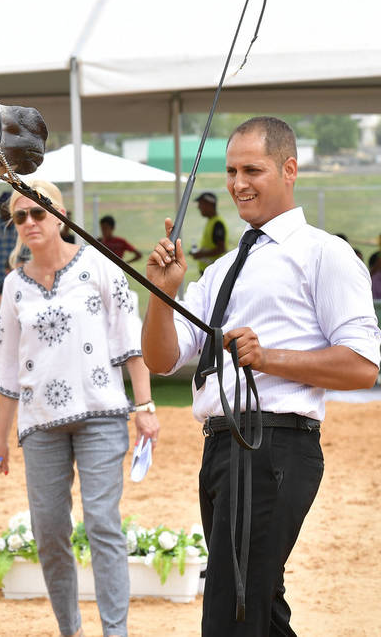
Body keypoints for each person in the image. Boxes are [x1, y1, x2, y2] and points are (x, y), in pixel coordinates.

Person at [142, 117, 380, 637]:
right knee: (258, 607)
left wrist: (268, 357)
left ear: (289, 169)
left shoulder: (325, 254)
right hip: (221, 449)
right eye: (230, 170)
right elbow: (162, 359)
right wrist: (162, 294)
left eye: (253, 169)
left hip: (274, 447)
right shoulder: (221, 269)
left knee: (233, 608)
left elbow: (363, 366)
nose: (237, 183)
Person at [0, 178, 159, 637]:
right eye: (19, 216)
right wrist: (0, 437)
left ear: (59, 215)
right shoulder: (13, 288)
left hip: (102, 415)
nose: (29, 222)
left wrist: (145, 406)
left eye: (38, 212)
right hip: (39, 424)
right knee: (49, 532)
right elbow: (5, 366)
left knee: (103, 523)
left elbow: (130, 341)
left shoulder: (101, 267)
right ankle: (70, 630)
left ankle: (114, 632)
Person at [190, 192, 229, 274]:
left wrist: (200, 254)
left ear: (209, 204)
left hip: (213, 272)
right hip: (209, 271)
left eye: (201, 204)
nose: (198, 207)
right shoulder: (212, 221)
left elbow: (221, 249)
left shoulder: (217, 224)